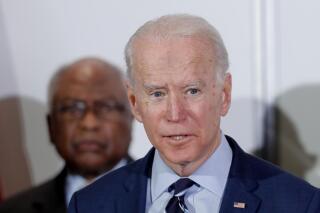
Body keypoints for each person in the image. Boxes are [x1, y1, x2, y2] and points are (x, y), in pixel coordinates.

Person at [68, 15, 320, 213]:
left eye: (191, 91)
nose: (175, 114)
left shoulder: (299, 205)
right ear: (135, 103)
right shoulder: (90, 205)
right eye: (157, 94)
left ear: (224, 94)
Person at [0, 57, 133, 213]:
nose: (89, 124)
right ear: (51, 125)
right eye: (72, 109)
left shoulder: (164, 199)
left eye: (106, 107)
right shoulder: (12, 211)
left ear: (131, 117)